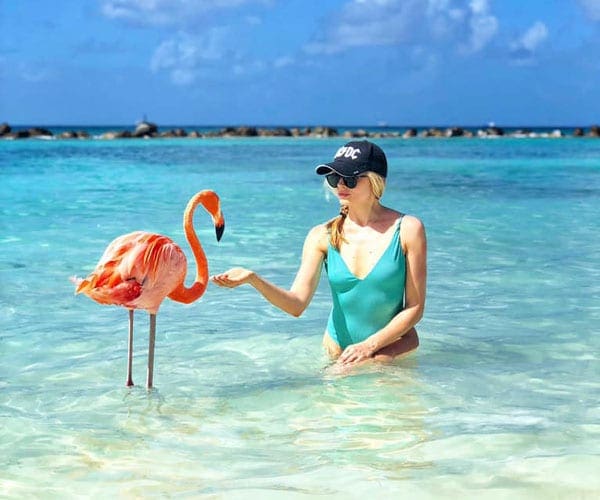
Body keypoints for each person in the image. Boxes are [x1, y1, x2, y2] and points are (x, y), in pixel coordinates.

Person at [211, 140, 426, 368]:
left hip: (388, 352)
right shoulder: (322, 235)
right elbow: (296, 305)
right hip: (337, 355)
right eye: (334, 178)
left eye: (350, 179)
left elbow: (414, 308)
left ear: (375, 182)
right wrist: (252, 279)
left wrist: (369, 349)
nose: (340, 185)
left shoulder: (408, 230)